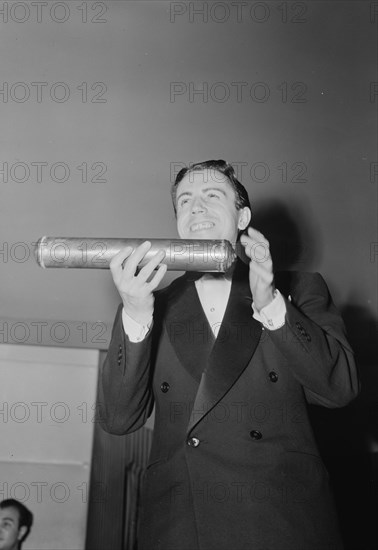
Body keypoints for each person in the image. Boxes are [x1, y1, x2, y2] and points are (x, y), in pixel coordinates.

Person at [99, 160, 359, 550]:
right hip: (181, 525)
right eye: (184, 201)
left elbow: (339, 388)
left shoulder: (298, 289)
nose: (196, 207)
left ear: (243, 217)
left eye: (212, 195)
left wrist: (269, 303)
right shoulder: (151, 305)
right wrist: (135, 313)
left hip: (281, 521)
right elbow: (119, 420)